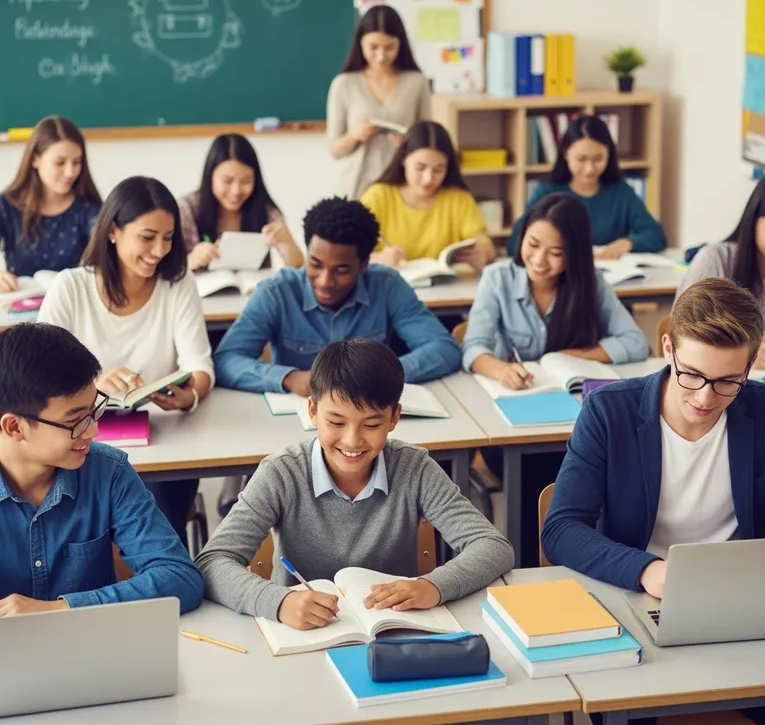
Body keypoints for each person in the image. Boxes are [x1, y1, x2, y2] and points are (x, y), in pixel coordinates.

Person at [542, 278, 765, 725]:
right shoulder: (610, 412)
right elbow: (561, 529)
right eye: (693, 375)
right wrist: (649, 571)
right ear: (668, 348)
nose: (705, 397)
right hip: (634, 596)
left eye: (727, 382)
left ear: (751, 364)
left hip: (742, 601)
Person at [197, 338, 514, 627]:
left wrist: (434, 585)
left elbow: (493, 547)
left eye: (372, 424)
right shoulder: (281, 473)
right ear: (312, 411)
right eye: (336, 422)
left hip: (393, 629)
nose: (352, 440)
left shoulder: (414, 468)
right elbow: (212, 563)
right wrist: (278, 601)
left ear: (394, 418)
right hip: (302, 633)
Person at [37, 177, 214, 546]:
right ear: (114, 231)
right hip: (80, 440)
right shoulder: (71, 287)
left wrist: (190, 394)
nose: (159, 250)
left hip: (162, 439)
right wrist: (95, 383)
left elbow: (200, 364)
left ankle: (163, 585)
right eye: (147, 237)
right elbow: (40, 377)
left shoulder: (176, 285)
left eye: (168, 238)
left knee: (163, 524)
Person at [0, 322, 203, 616]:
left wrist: (60, 610)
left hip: (98, 649)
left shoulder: (108, 471)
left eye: (94, 411)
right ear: (14, 426)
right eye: (75, 421)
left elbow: (179, 577)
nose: (93, 430)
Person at [213, 196, 462, 396]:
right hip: (296, 424)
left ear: (363, 264)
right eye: (316, 264)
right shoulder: (276, 293)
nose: (325, 281)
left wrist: (377, 377)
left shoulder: (387, 285)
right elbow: (226, 361)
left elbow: (444, 349)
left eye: (342, 270)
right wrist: (288, 378)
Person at [464, 192, 649, 389]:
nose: (539, 260)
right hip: (518, 393)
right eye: (533, 244)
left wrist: (565, 358)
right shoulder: (497, 279)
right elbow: (473, 348)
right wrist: (501, 370)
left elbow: (635, 343)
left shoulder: (590, 281)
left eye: (556, 253)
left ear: (575, 255)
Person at [675, 169, 765, 370]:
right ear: (753, 221)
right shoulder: (716, 259)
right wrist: (744, 354)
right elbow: (682, 333)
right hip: (719, 382)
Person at [508, 115, 666, 259]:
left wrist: (629, 243)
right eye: (581, 159)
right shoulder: (547, 194)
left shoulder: (621, 192)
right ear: (565, 154)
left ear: (609, 155)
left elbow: (655, 235)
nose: (590, 168)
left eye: (598, 159)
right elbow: (516, 242)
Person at [327, 5, 431, 200]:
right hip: (356, 188)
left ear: (401, 44)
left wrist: (408, 145)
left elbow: (428, 142)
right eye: (373, 47)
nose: (381, 56)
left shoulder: (417, 82)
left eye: (389, 47)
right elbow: (334, 149)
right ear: (360, 44)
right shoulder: (344, 84)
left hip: (402, 188)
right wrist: (354, 136)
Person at [362, 120, 496, 271]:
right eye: (420, 168)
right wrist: (377, 259)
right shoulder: (378, 196)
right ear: (403, 160)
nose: (428, 179)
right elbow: (347, 252)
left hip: (443, 289)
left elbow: (485, 244)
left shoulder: (458, 198)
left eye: (438, 170)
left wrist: (483, 254)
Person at [0, 116, 102, 292]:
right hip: (18, 308)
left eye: (77, 162)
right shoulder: (7, 206)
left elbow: (107, 259)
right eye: (60, 162)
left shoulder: (88, 210)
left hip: (69, 307)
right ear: (35, 159)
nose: (70, 172)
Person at [179, 133, 303, 272]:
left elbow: (298, 268)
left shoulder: (265, 210)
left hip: (253, 292)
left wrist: (287, 243)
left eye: (246, 181)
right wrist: (190, 260)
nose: (236, 191)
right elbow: (164, 271)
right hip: (201, 292)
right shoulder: (187, 208)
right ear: (210, 176)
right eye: (227, 181)